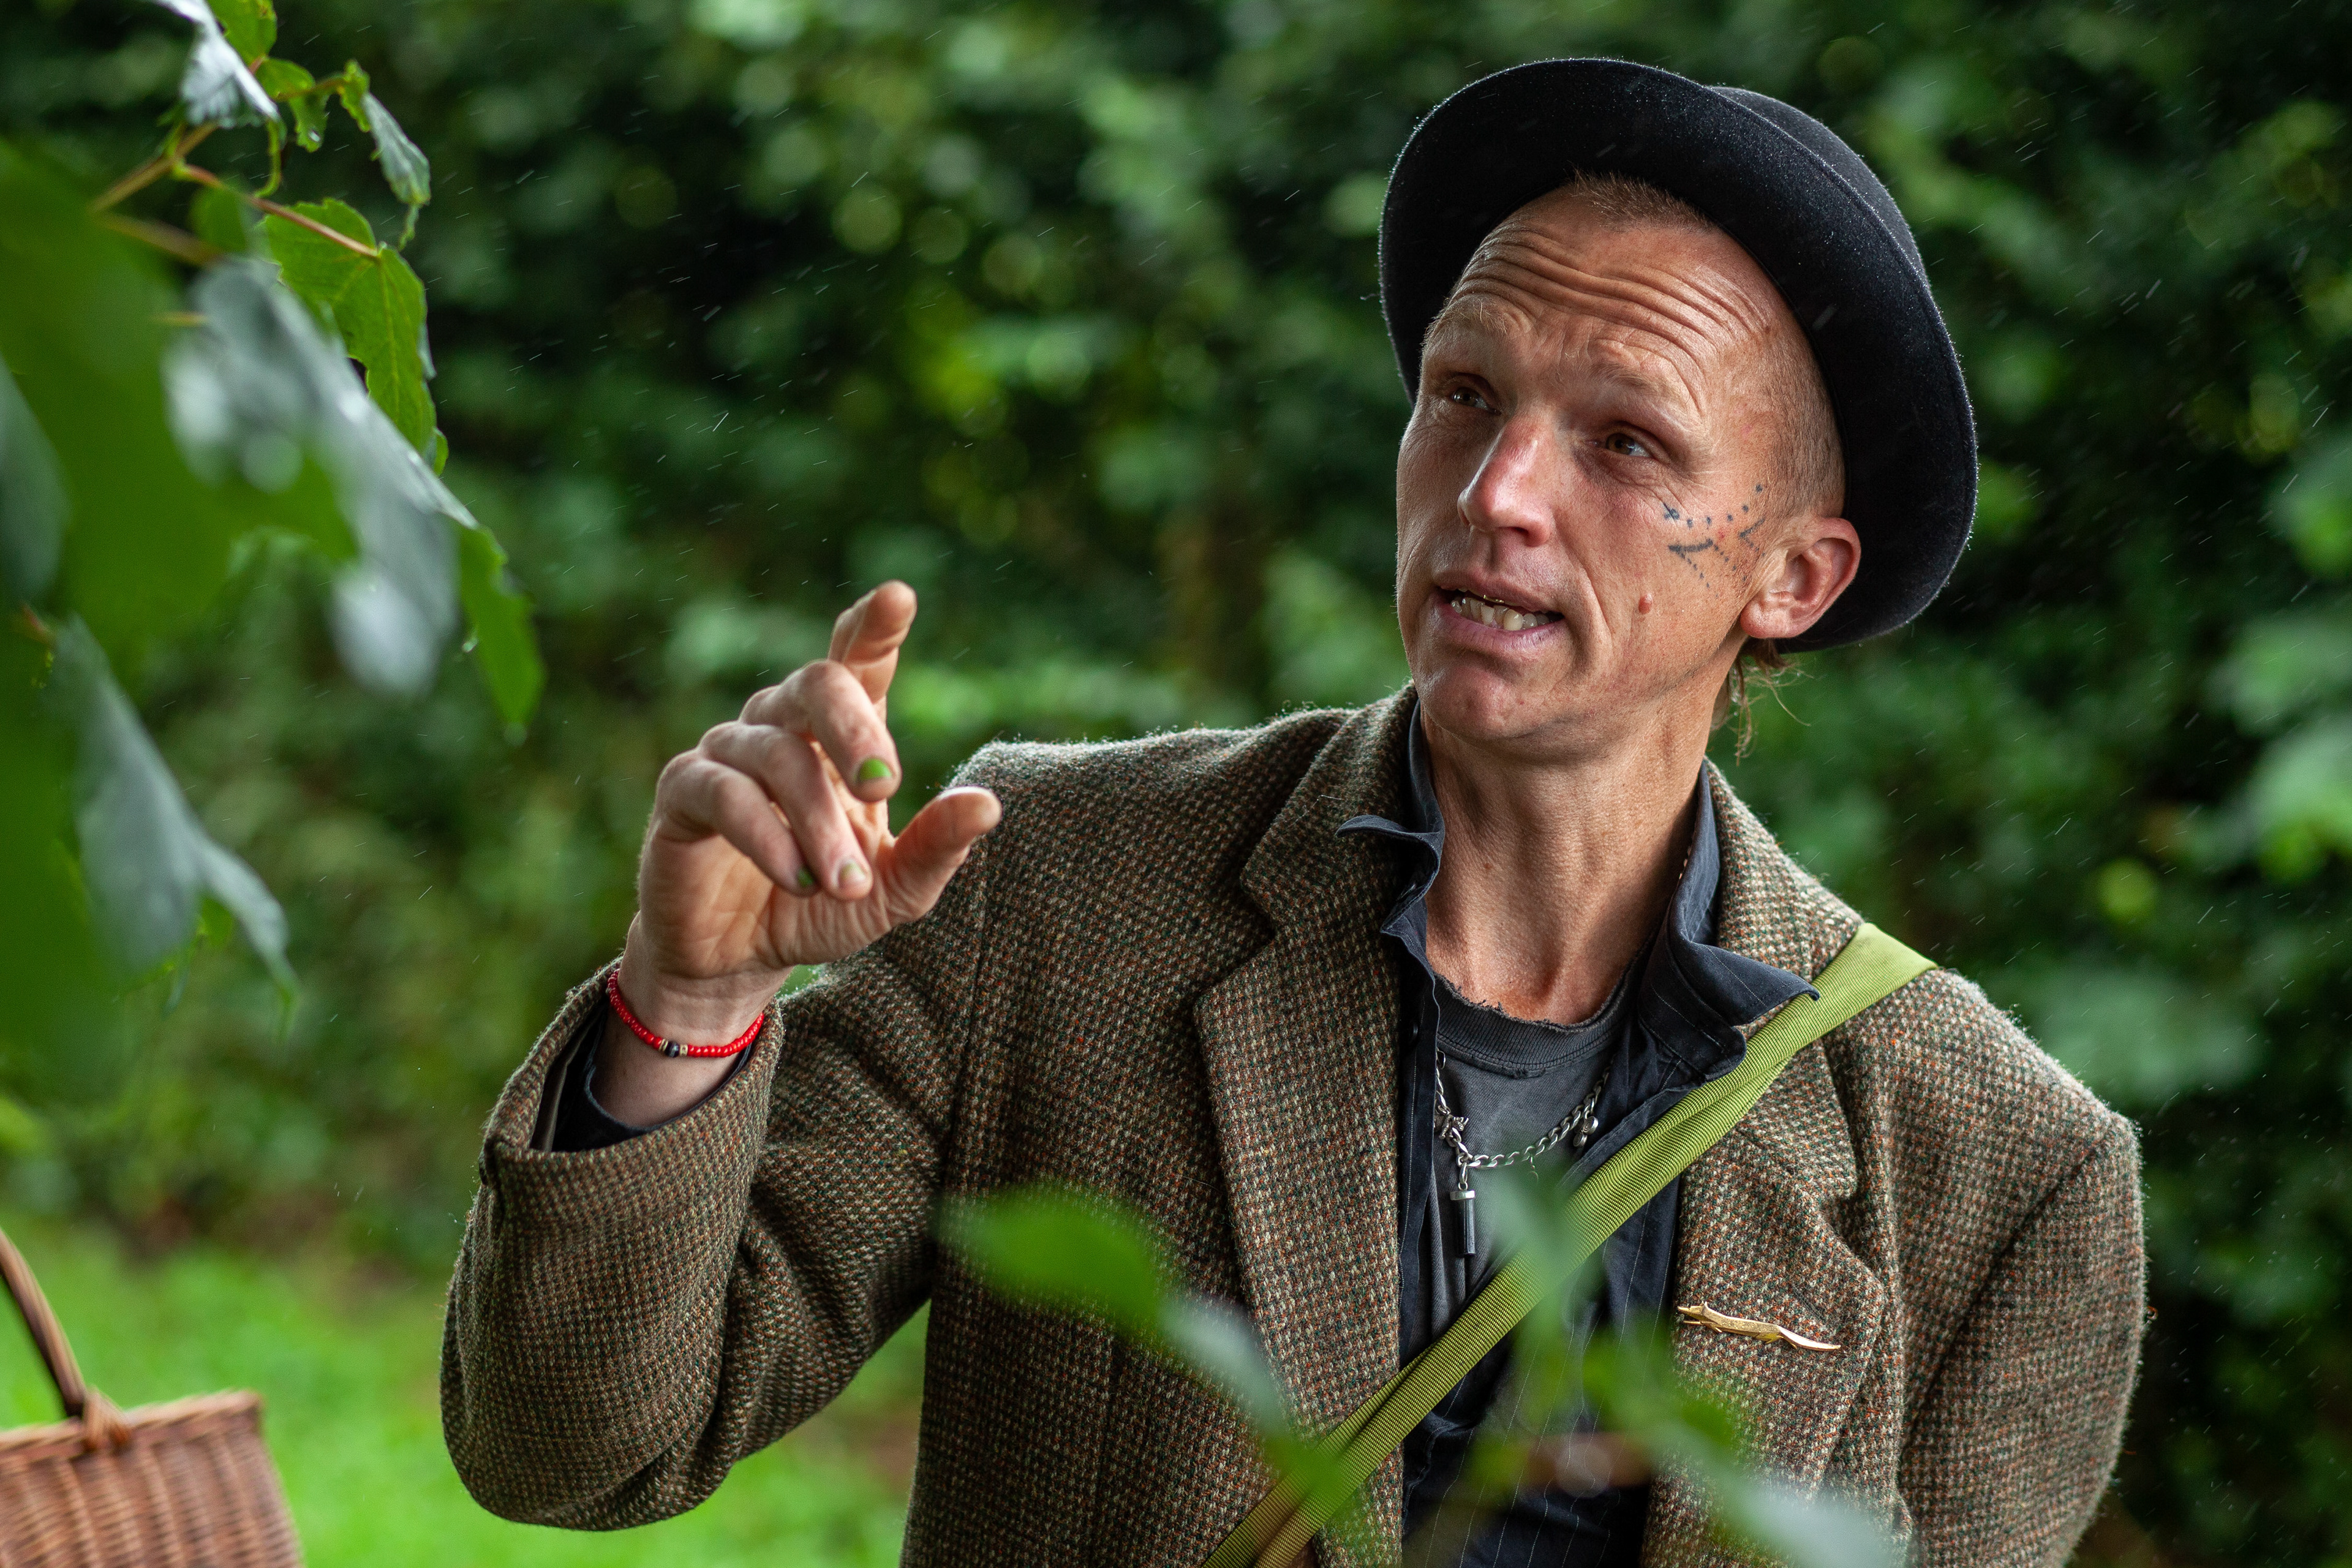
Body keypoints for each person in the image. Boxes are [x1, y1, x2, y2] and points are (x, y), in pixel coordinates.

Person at [442, 59, 2144, 1567]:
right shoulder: (1052, 891)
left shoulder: (2001, 1175)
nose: (1498, 495)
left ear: (1792, 574)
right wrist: (692, 1004)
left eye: (1625, 443)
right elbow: (578, 1452)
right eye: (1467, 396)